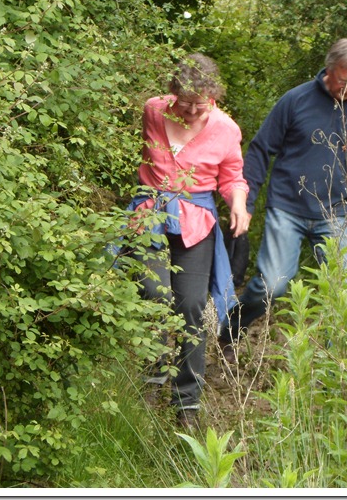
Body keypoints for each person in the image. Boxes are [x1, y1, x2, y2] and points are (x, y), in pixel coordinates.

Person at [217, 38, 347, 364]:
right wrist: (247, 202)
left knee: (346, 293)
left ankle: (335, 365)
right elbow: (260, 149)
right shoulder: (296, 100)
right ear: (329, 70)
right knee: (273, 285)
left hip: (337, 211)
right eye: (343, 81)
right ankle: (230, 329)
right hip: (287, 206)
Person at [129, 53, 250, 429]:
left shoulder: (226, 129)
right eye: (186, 104)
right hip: (149, 214)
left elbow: (232, 177)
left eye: (202, 104)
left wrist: (239, 206)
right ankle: (152, 376)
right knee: (154, 293)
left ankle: (187, 405)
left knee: (192, 305)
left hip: (196, 220)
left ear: (213, 97)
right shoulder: (153, 111)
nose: (194, 111)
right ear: (171, 95)